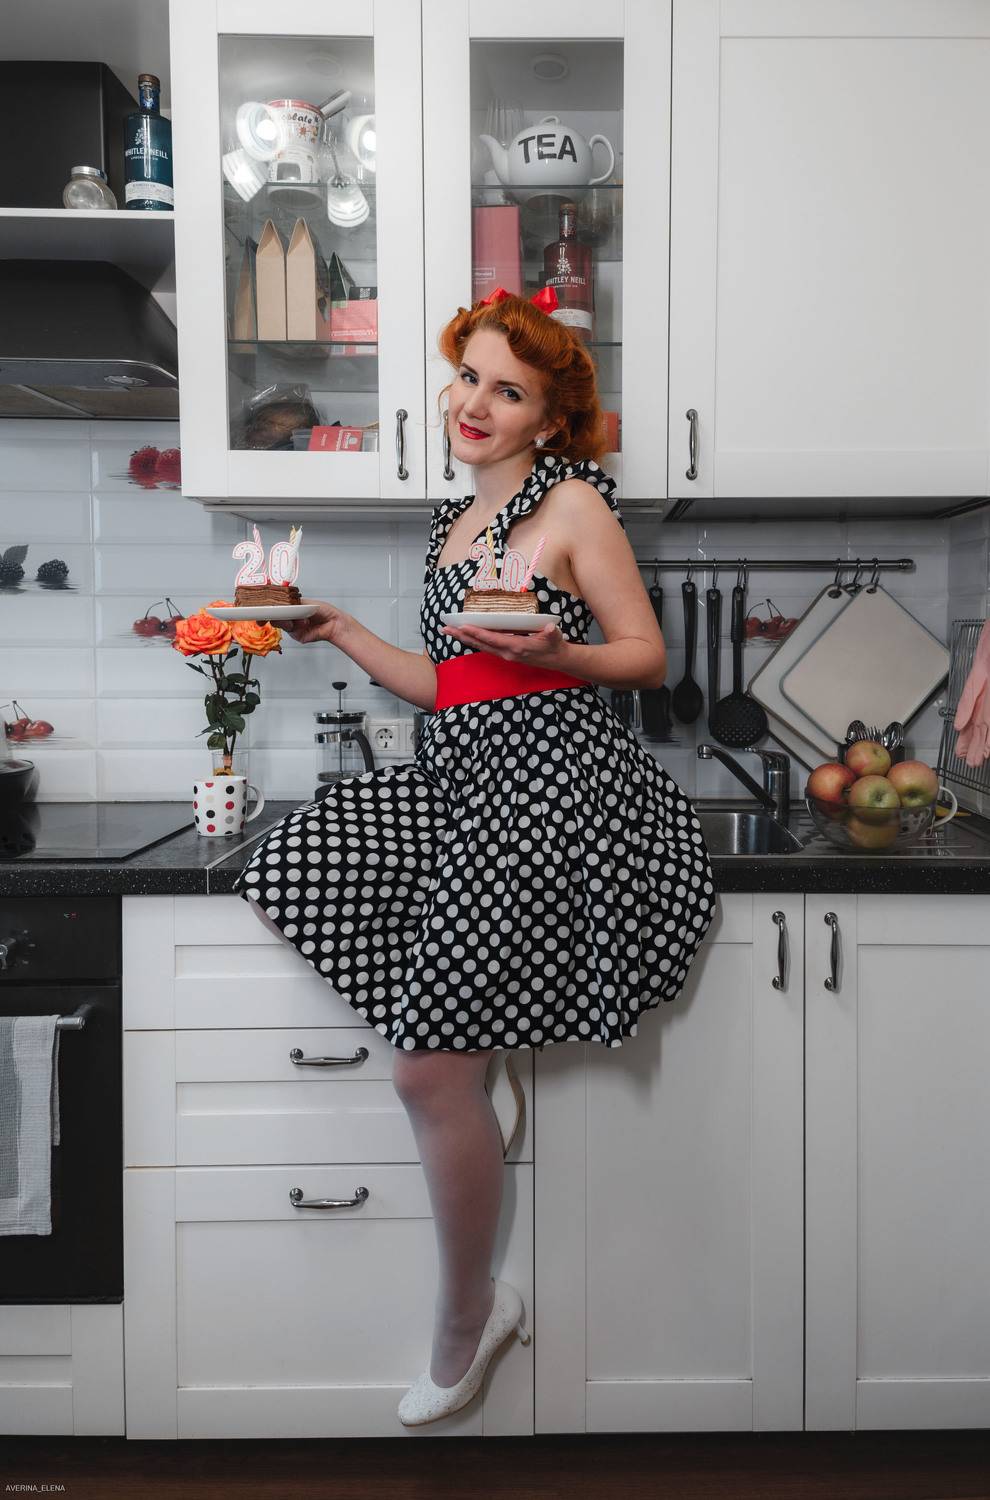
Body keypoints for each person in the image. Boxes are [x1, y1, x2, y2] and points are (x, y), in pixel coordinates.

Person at [232, 287, 716, 1426]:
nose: (476, 404)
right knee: (296, 863)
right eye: (468, 378)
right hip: (465, 777)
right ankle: (471, 1044)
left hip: (553, 791)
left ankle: (470, 1313)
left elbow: (644, 656)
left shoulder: (574, 503)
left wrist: (562, 653)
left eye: (509, 390)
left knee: (421, 1073)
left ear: (548, 418)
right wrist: (341, 629)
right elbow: (453, 685)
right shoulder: (453, 524)